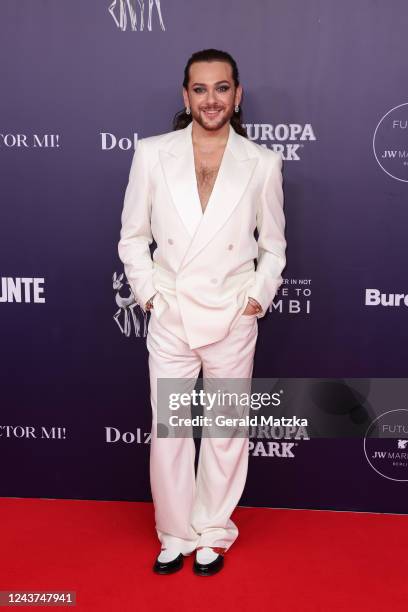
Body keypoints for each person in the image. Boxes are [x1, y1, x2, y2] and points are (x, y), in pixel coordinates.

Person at [118, 48, 287, 576]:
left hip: (232, 314)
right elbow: (132, 238)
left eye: (221, 88)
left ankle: (213, 529)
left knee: (225, 429)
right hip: (171, 315)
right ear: (185, 95)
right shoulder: (152, 154)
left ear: (237, 95)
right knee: (169, 429)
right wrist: (151, 298)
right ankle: (174, 530)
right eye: (200, 89)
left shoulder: (263, 162)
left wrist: (256, 298)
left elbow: (274, 246)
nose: (210, 99)